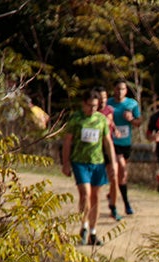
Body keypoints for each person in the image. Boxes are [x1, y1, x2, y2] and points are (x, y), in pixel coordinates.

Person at [61, 88, 117, 246]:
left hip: (97, 163)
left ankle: (93, 231)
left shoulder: (101, 119)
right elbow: (67, 142)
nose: (92, 109)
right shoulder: (76, 119)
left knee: (95, 197)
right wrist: (65, 163)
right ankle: (84, 226)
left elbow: (107, 142)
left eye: (95, 105)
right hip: (80, 161)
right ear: (83, 104)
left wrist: (112, 164)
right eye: (89, 105)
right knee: (85, 193)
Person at [107, 79, 142, 216]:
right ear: (114, 90)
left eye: (122, 89)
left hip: (125, 143)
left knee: (122, 175)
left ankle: (113, 194)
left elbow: (139, 122)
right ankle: (124, 204)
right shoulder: (108, 103)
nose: (120, 91)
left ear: (126, 90)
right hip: (111, 142)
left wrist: (131, 119)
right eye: (117, 89)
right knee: (119, 168)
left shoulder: (132, 103)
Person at [94, 87, 122, 221]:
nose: (103, 100)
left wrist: (115, 130)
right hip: (95, 150)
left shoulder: (109, 110)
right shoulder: (91, 112)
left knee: (114, 178)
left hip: (108, 147)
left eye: (105, 97)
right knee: (97, 184)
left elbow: (111, 123)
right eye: (100, 98)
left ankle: (113, 207)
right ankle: (93, 209)